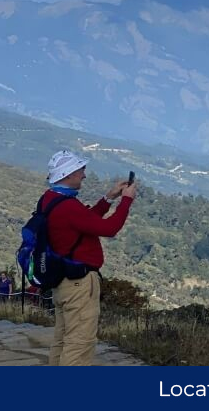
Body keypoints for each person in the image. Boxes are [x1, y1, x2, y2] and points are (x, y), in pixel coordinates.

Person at [41, 150, 136, 366]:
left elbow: (86, 222)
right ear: (69, 173)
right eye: (81, 170)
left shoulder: (51, 200)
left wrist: (109, 198)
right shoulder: (68, 206)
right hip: (79, 284)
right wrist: (126, 201)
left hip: (62, 281)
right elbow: (109, 228)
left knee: (63, 340)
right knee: (79, 345)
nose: (84, 175)